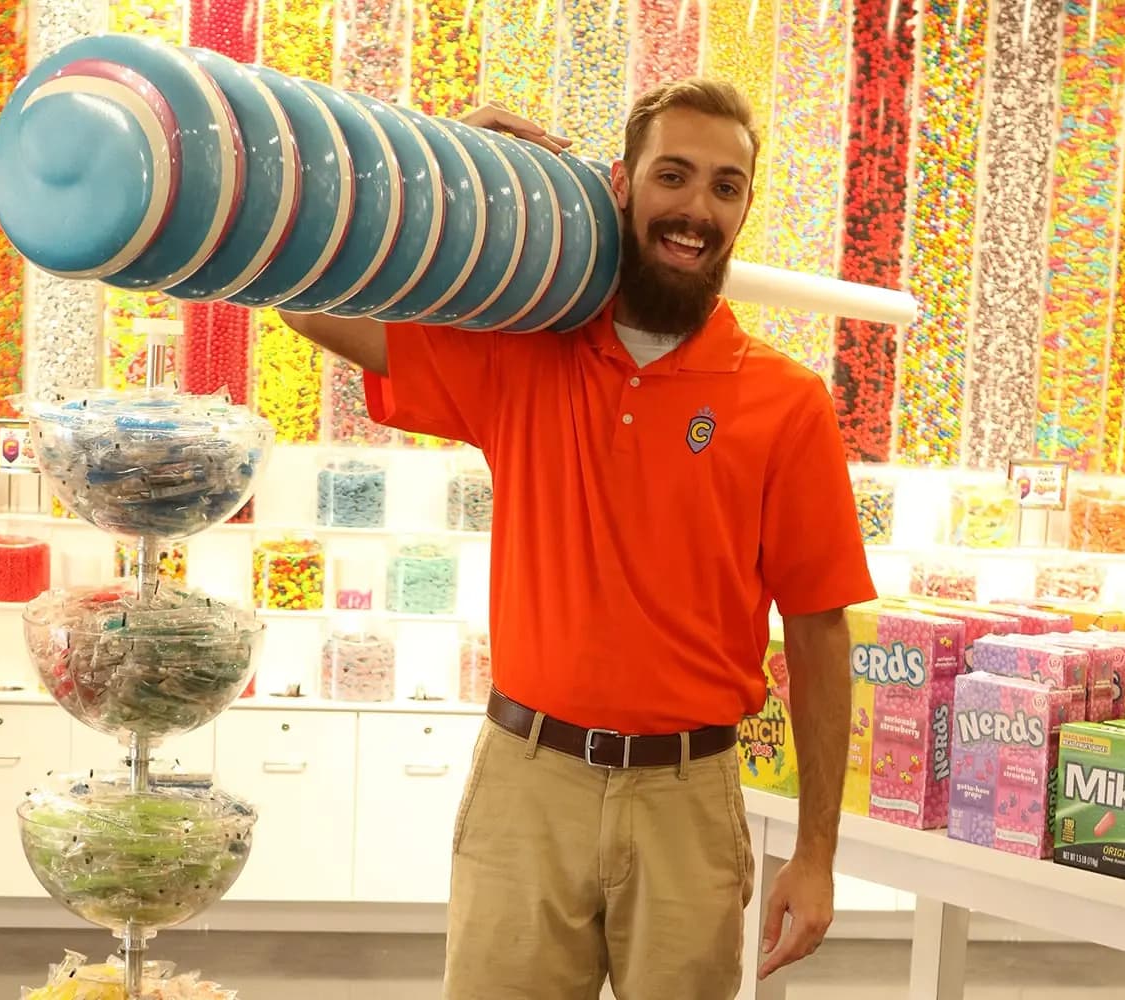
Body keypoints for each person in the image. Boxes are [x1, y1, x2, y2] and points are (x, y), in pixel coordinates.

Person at [280, 79, 877, 1000]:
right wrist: (437, 160)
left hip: (691, 798)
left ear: (746, 206)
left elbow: (819, 628)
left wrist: (819, 852)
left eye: (727, 186)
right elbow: (306, 306)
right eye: (672, 175)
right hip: (529, 787)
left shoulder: (786, 403)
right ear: (621, 186)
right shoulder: (522, 352)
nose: (697, 208)